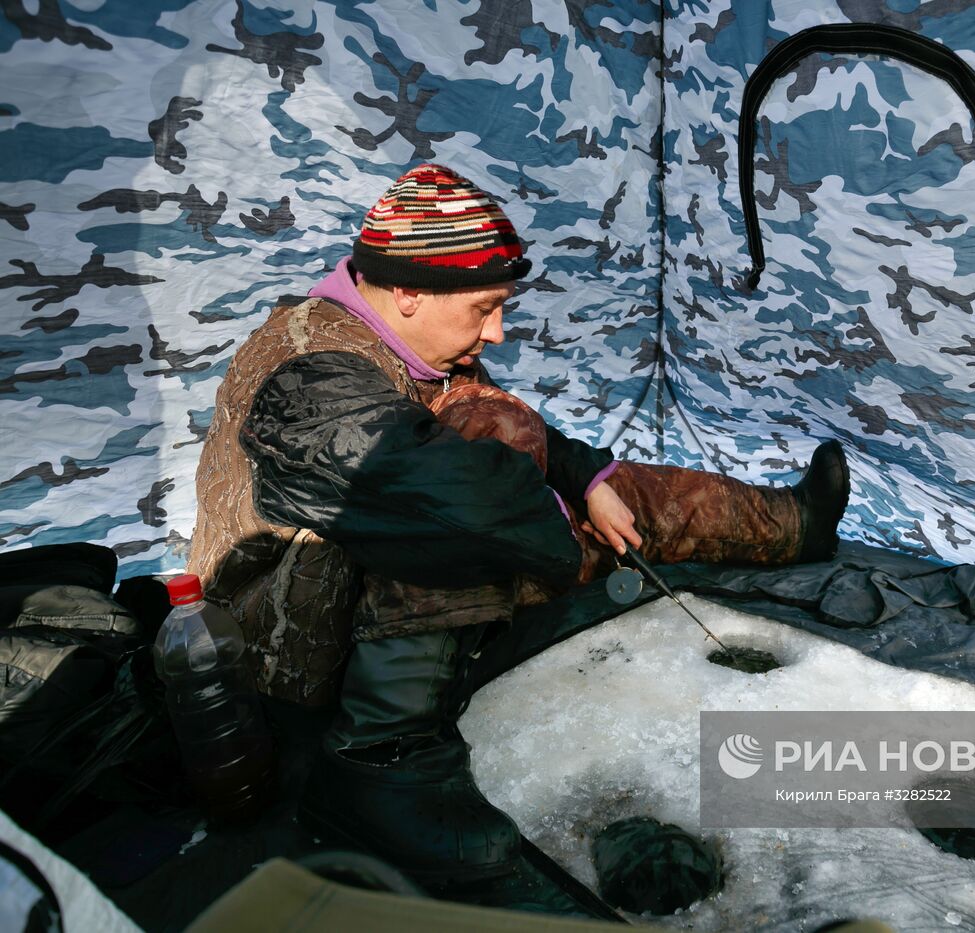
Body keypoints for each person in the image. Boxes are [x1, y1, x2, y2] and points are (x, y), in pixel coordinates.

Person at [187, 163, 849, 889]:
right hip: (289, 650)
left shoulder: (393, 336)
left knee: (591, 485)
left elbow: (491, 426)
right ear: (408, 291)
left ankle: (795, 524)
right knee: (481, 458)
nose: (497, 331)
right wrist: (561, 536)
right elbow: (450, 492)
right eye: (485, 308)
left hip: (391, 577)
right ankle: (382, 759)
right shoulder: (305, 369)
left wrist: (583, 480)